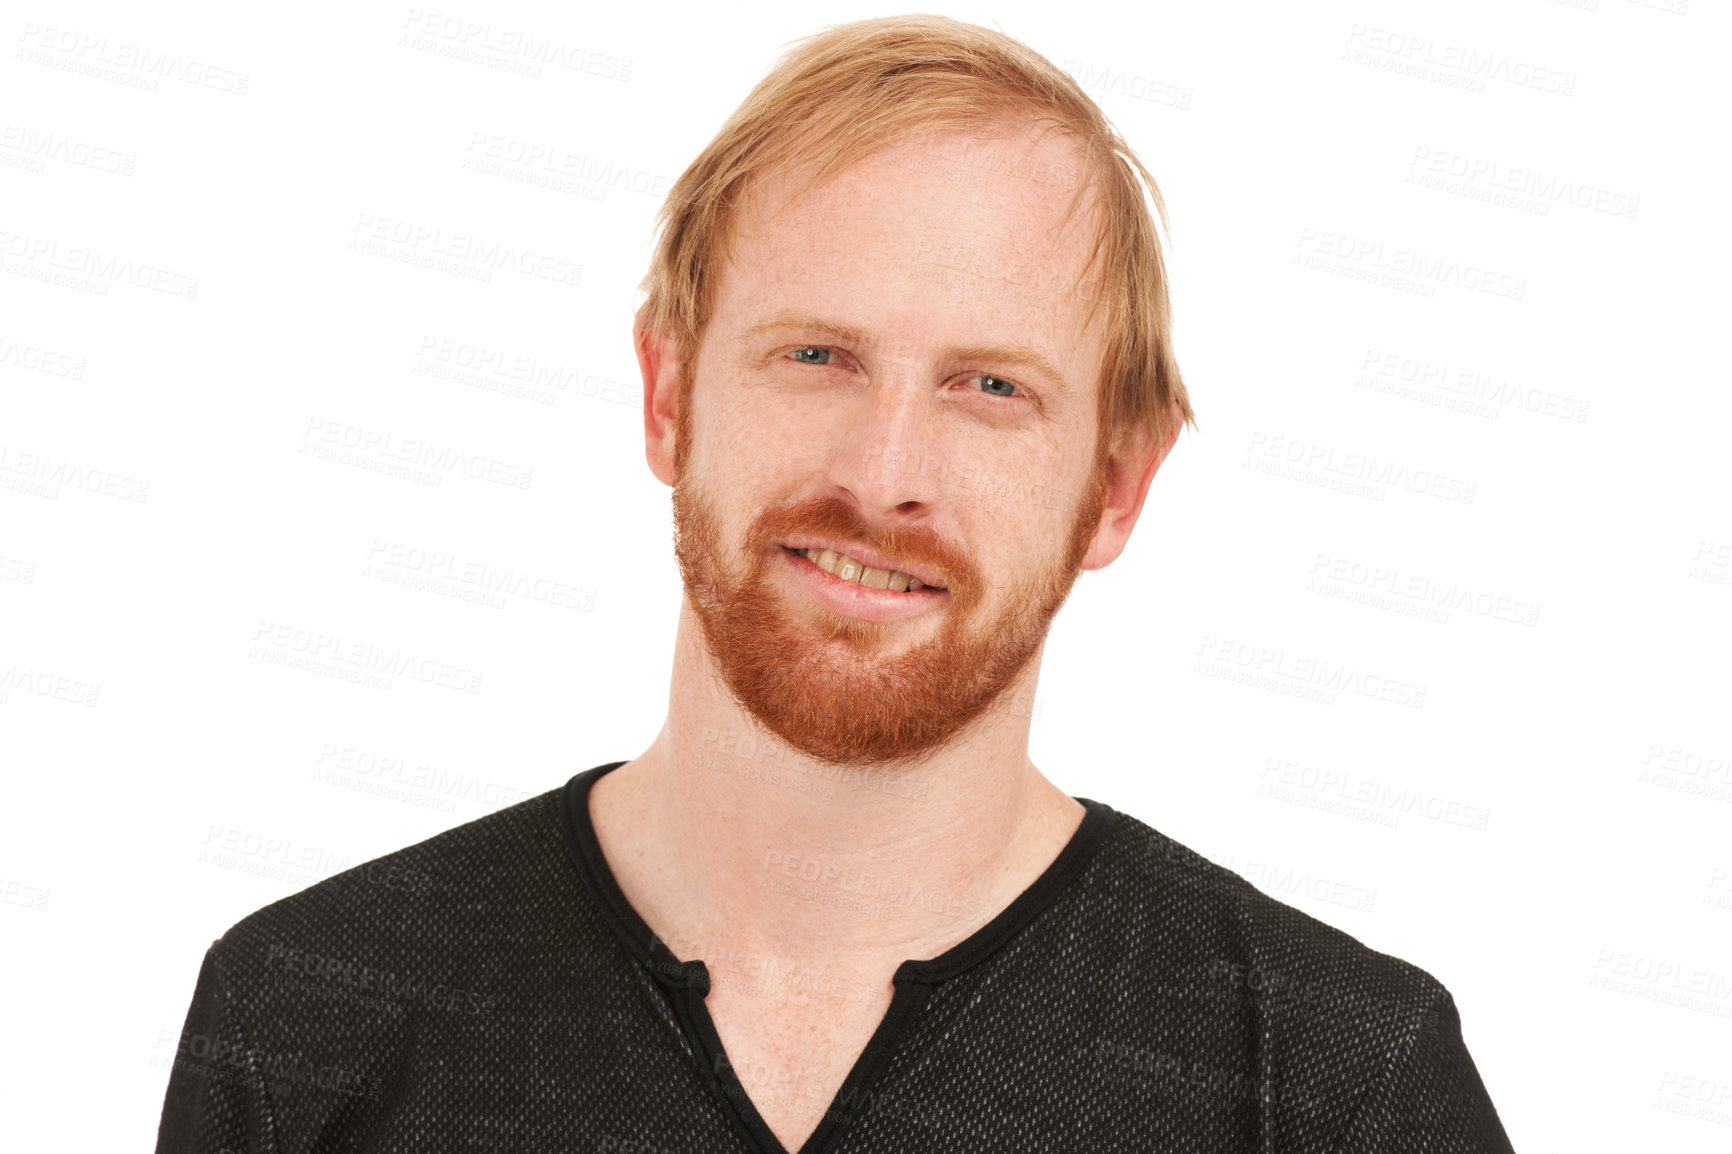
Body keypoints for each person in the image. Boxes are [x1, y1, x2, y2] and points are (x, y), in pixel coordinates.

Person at [156, 15, 1514, 1153]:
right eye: (816, 356)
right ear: (671, 396)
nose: (885, 471)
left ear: (1116, 486)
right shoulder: (310, 1025)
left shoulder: (1338, 1086)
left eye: (991, 389)